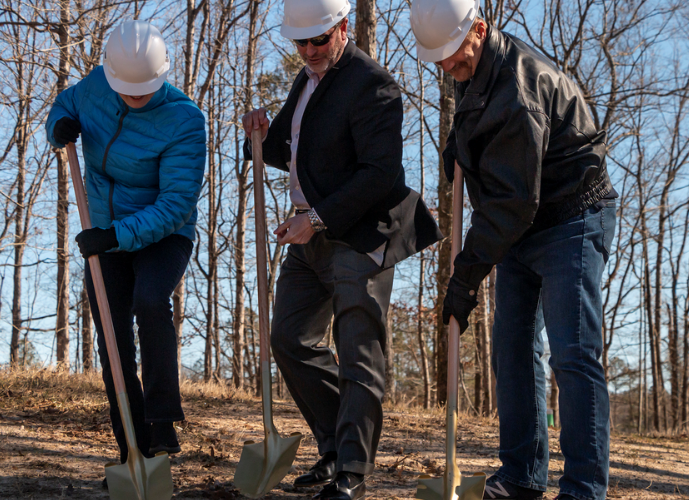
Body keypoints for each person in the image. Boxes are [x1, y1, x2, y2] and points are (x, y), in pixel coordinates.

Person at [409, 1, 618, 499]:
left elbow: (512, 203)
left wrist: (464, 277)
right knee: (512, 347)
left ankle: (584, 488)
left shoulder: (519, 91)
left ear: (479, 30)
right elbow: (495, 168)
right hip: (523, 222)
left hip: (571, 215)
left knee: (572, 353)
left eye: (454, 57)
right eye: (438, 61)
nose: (448, 68)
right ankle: (523, 476)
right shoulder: (472, 67)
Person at [241, 0, 441, 497]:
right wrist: (259, 136)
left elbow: (378, 174)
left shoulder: (373, 84)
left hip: (359, 233)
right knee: (289, 338)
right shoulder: (306, 80)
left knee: (358, 351)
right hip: (309, 235)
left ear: (342, 28)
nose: (308, 50)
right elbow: (292, 150)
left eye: (318, 40)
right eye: (300, 42)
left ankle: (352, 471)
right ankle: (333, 449)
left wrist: (316, 219)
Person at [45, 20, 206, 467]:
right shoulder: (95, 87)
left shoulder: (185, 120)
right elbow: (64, 104)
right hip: (104, 229)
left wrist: (115, 235)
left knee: (152, 302)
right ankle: (129, 450)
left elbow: (175, 204)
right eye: (127, 91)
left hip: (161, 233)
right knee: (112, 340)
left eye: (144, 92)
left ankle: (161, 424)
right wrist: (58, 125)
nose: (135, 99)